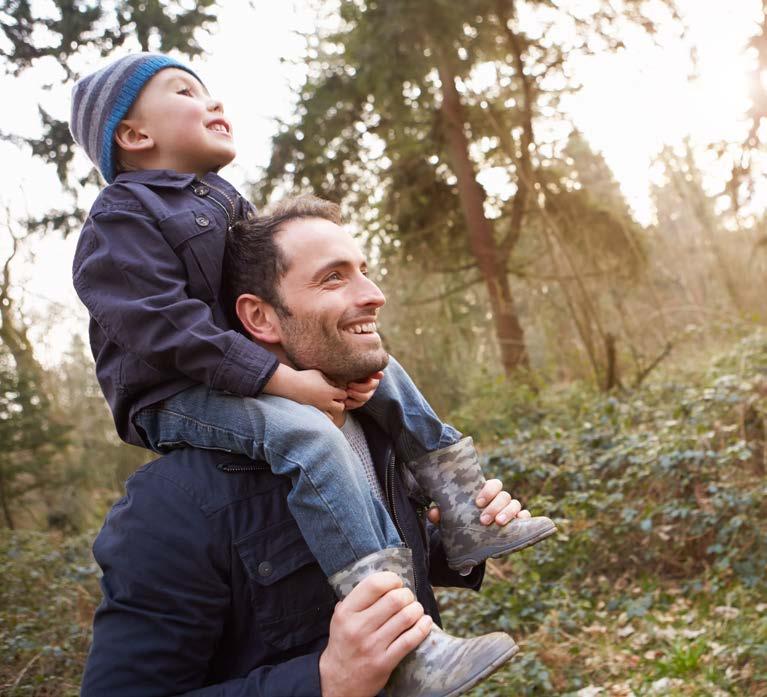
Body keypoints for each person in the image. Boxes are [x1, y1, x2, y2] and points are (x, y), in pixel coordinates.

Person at [69, 50, 555, 582]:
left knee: (380, 365)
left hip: (246, 371)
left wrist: (343, 379)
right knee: (305, 434)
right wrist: (281, 380)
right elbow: (162, 326)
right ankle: (387, 613)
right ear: (134, 136)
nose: (213, 101)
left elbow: (270, 299)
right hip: (173, 394)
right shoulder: (121, 216)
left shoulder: (228, 203)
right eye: (185, 92)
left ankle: (463, 505)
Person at [81, 198, 544, 695]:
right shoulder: (174, 503)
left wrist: (453, 544)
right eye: (334, 278)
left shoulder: (378, 437)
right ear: (260, 318)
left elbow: (343, 549)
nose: (374, 295)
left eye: (364, 271)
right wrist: (325, 681)